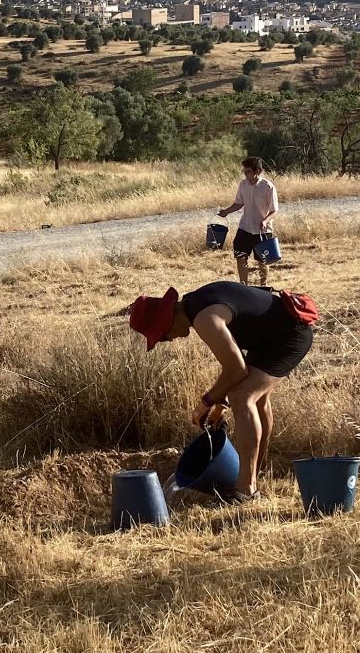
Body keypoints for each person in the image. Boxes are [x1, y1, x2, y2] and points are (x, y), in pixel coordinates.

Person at [128, 280, 317, 504]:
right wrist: (221, 402)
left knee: (244, 396)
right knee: (255, 399)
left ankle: (246, 490)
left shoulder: (205, 318)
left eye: (162, 336)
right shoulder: (197, 304)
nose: (168, 340)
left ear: (166, 320)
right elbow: (236, 366)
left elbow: (236, 369)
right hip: (270, 338)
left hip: (289, 336)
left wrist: (206, 402)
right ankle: (253, 475)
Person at [217, 156, 279, 287]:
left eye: (248, 171)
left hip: (262, 231)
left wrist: (265, 220)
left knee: (263, 261)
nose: (245, 174)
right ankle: (243, 286)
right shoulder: (243, 185)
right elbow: (239, 203)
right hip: (244, 228)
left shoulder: (268, 187)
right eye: (244, 171)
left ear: (257, 171)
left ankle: (264, 286)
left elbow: (274, 210)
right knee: (240, 257)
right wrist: (226, 211)